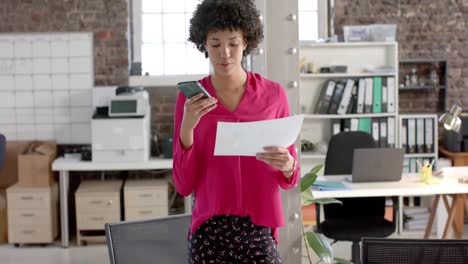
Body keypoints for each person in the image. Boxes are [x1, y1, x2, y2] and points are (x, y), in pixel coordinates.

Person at [172, 0, 299, 263]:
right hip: (208, 230)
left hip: (258, 228)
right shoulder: (191, 100)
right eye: (215, 44)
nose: (225, 53)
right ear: (203, 44)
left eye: (233, 43)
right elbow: (183, 185)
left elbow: (290, 178)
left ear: (246, 42)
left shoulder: (274, 95)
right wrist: (187, 129)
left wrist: (288, 165)